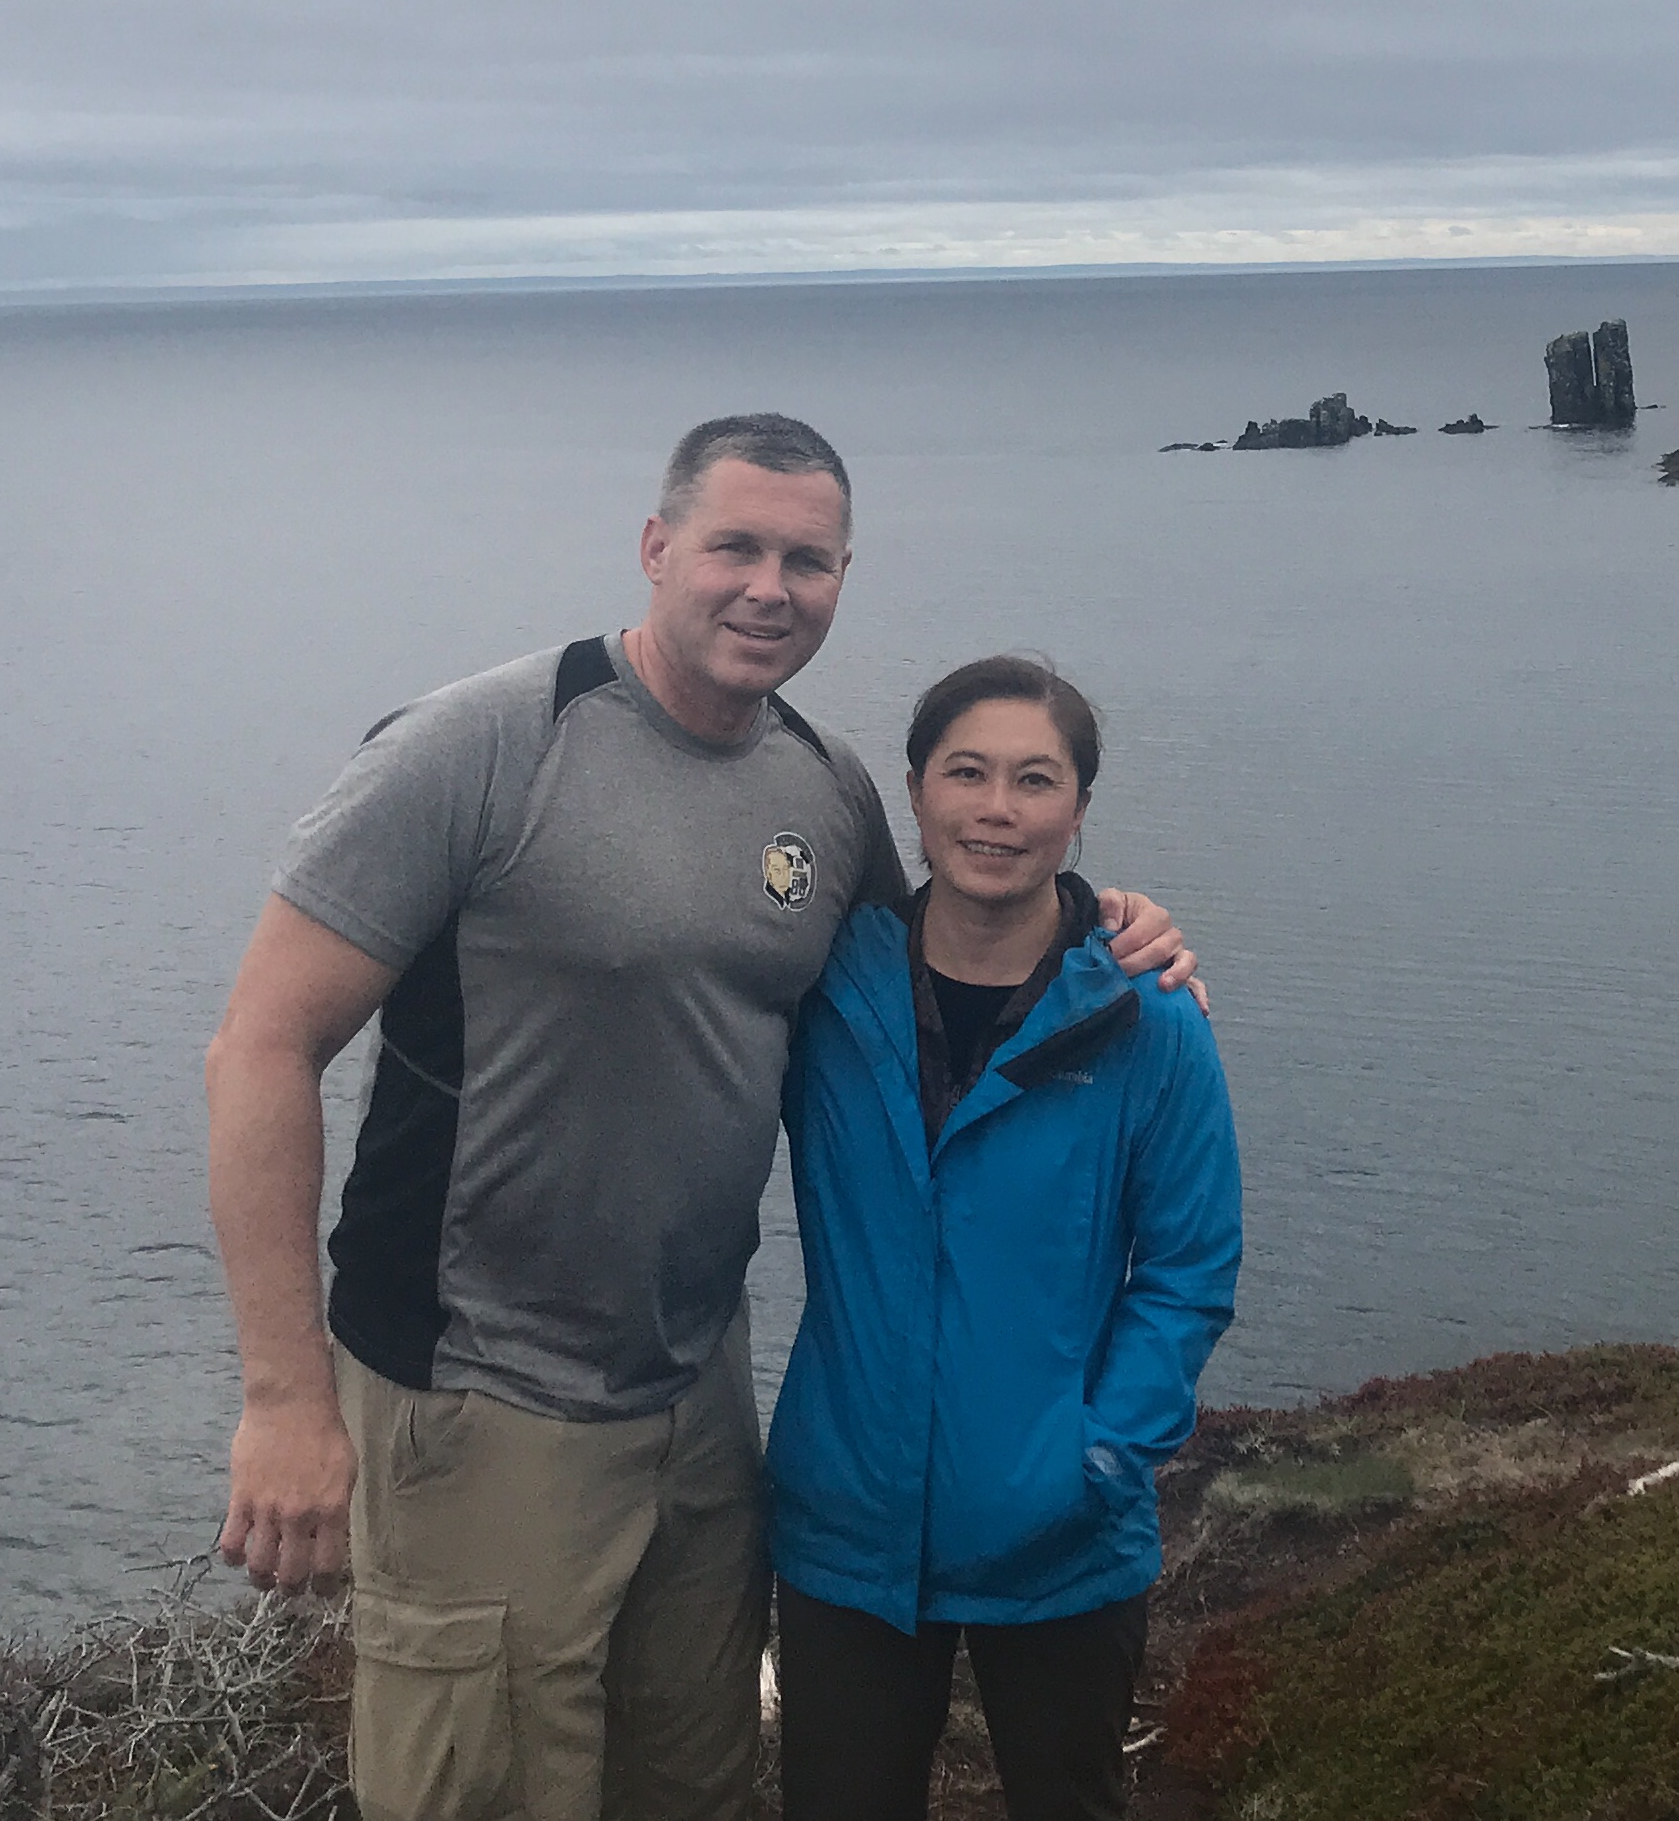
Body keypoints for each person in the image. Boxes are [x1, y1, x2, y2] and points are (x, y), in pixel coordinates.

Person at [203, 418, 1197, 1821]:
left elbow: (942, 958)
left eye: (806, 559)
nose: (767, 587)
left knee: (693, 1783)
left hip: (697, 1393)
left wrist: (1108, 923)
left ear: (842, 578)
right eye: (734, 546)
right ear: (657, 546)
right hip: (477, 1387)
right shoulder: (484, 745)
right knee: (484, 1789)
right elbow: (259, 1047)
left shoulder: (823, 789)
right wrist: (283, 1397)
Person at [764, 656, 1242, 1821]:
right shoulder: (823, 988)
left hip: (1061, 1533)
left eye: (1035, 780)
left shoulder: (1144, 1017)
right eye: (965, 773)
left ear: (1078, 810)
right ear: (914, 792)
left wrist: (1102, 1455)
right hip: (847, 1521)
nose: (996, 809)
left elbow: (1186, 1267)